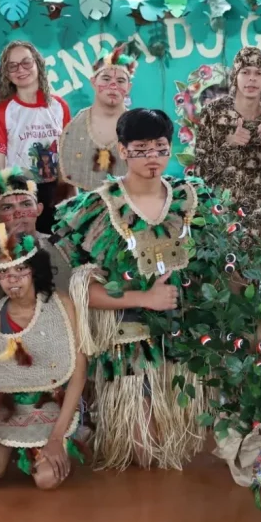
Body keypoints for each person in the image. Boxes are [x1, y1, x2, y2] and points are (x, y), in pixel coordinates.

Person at [53, 108, 216, 470]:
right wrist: (143, 298)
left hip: (181, 345)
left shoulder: (193, 200)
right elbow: (78, 292)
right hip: (128, 347)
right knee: (144, 453)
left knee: (175, 451)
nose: (152, 158)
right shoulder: (96, 209)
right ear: (123, 151)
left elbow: (217, 270)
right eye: (140, 149)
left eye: (159, 148)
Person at [0, 227, 88, 490]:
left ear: (35, 270)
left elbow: (78, 372)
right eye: (4, 273)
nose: (12, 280)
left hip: (52, 407)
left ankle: (44, 448)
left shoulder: (62, 304)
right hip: (8, 410)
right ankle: (11, 450)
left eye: (20, 270)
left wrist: (56, 438)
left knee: (46, 479)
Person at [0, 168, 75, 387]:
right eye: (8, 207)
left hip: (57, 336)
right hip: (6, 336)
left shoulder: (61, 247)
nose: (18, 213)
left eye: (26, 204)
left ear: (39, 209)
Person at [193, 46, 261, 247]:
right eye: (245, 72)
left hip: (253, 219)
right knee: (214, 272)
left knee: (246, 276)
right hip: (216, 213)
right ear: (235, 76)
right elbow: (200, 173)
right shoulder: (212, 113)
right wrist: (229, 144)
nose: (252, 79)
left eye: (258, 73)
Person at [0, 41, 70, 232]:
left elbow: (67, 159)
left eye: (26, 63)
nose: (20, 70)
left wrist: (70, 196)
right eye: (12, 66)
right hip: (18, 196)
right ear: (6, 73)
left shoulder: (59, 106)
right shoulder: (2, 111)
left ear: (38, 64)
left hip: (55, 194)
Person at [58, 43, 135, 194]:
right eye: (105, 79)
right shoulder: (76, 126)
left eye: (120, 81)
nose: (112, 86)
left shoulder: (137, 125)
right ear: (93, 82)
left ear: (129, 87)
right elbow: (67, 181)